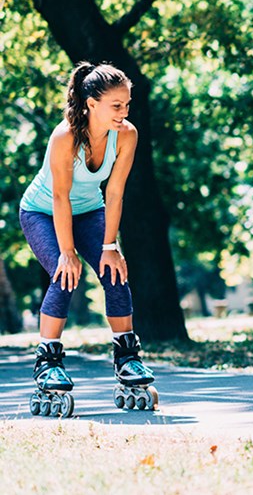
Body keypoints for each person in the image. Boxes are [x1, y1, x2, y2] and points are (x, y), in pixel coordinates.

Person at [19, 62, 156, 417]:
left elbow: (115, 192)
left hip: (90, 210)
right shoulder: (65, 136)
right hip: (41, 211)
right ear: (91, 103)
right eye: (116, 105)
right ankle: (47, 358)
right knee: (64, 275)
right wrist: (67, 252)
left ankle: (126, 356)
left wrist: (110, 247)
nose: (123, 113)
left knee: (115, 272)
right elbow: (59, 197)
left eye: (126, 105)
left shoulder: (127, 134)